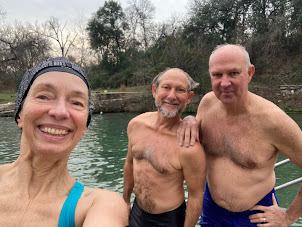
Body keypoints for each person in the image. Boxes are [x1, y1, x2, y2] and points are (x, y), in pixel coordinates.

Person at [177, 44, 302, 226]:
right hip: (211, 210)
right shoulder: (207, 104)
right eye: (217, 75)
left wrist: (288, 217)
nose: (224, 83)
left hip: (257, 217)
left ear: (249, 73)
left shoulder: (273, 121)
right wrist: (189, 119)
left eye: (234, 73)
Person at [0, 57, 128, 226]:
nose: (60, 112)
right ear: (19, 114)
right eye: (44, 96)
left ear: (84, 127)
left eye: (76, 102)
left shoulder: (98, 205)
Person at [123, 68, 206, 227]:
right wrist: (125, 201)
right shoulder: (136, 125)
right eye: (166, 87)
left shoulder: (189, 147)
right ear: (155, 91)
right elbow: (130, 164)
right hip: (137, 211)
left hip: (169, 220)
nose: (172, 96)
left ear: (189, 98)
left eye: (180, 90)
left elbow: (196, 196)